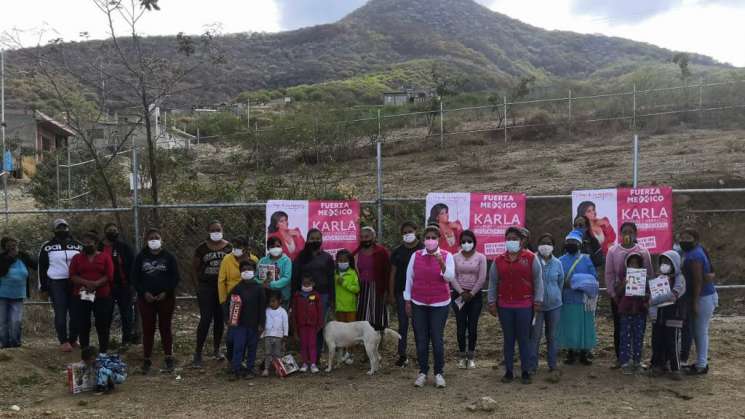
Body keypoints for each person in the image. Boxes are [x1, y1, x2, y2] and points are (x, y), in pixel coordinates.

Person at [487, 227, 543, 385]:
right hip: (505, 305)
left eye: (515, 238)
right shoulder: (498, 260)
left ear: (521, 240)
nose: (511, 241)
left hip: (525, 305)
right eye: (509, 238)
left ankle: (525, 371)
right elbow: (492, 282)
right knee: (508, 339)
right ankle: (509, 371)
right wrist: (491, 302)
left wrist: (538, 301)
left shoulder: (531, 258)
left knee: (524, 339)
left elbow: (538, 281)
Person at [404, 225, 458, 389]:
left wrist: (440, 262)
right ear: (423, 239)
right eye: (427, 237)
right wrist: (407, 301)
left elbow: (449, 277)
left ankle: (439, 373)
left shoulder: (447, 256)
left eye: (433, 237)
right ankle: (422, 372)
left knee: (437, 338)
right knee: (421, 340)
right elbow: (409, 279)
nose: (430, 240)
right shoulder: (416, 255)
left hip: (439, 304)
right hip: (419, 302)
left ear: (439, 240)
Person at [131, 228, 181, 374]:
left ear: (161, 239)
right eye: (151, 238)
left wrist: (166, 292)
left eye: (156, 237)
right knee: (148, 329)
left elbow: (175, 277)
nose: (154, 240)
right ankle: (146, 359)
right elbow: (134, 278)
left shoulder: (169, 257)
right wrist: (144, 292)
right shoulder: (140, 257)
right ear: (146, 240)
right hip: (146, 299)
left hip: (166, 298)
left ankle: (168, 357)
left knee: (165, 327)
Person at [604, 222, 653, 368]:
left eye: (630, 232)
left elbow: (649, 273)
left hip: (639, 298)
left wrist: (648, 294)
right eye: (624, 232)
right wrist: (613, 294)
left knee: (639, 328)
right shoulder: (613, 251)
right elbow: (609, 274)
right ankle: (621, 359)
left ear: (636, 233)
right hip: (620, 296)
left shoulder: (643, 251)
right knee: (620, 327)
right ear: (620, 234)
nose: (627, 235)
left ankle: (637, 359)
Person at [38, 219, 83, 352]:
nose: (62, 230)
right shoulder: (47, 246)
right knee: (60, 312)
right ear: (54, 230)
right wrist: (43, 288)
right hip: (56, 283)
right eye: (59, 228)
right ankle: (63, 340)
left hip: (76, 282)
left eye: (64, 227)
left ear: (69, 228)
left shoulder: (78, 245)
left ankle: (74, 339)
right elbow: (42, 267)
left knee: (76, 313)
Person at [191, 220, 232, 367]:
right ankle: (198, 352)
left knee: (219, 318)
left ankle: (216, 349)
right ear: (208, 231)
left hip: (223, 288)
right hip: (206, 288)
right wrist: (197, 287)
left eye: (218, 229)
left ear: (222, 230)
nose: (216, 232)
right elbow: (194, 268)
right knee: (206, 318)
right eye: (213, 230)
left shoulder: (229, 247)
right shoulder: (201, 248)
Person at [678, 228, 717, 375]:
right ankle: (701, 362)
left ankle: (701, 364)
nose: (684, 240)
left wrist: (694, 302)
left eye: (688, 238)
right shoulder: (695, 250)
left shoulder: (694, 255)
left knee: (700, 331)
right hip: (704, 295)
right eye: (682, 237)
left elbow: (698, 281)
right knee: (697, 331)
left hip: (702, 297)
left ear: (695, 239)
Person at [557, 230, 598, 366]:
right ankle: (571, 352)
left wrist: (576, 281)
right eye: (568, 242)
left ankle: (584, 353)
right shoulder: (560, 260)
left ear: (579, 244)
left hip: (583, 299)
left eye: (574, 242)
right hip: (567, 298)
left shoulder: (586, 259)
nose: (571, 244)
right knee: (569, 326)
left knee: (584, 326)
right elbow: (557, 279)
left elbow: (594, 278)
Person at [69, 231, 115, 353]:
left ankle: (103, 352)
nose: (86, 244)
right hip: (83, 294)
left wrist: (96, 284)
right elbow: (72, 275)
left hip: (102, 295)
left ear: (95, 243)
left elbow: (109, 275)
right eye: (84, 243)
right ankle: (86, 351)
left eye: (89, 242)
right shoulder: (77, 258)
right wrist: (86, 283)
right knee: (83, 323)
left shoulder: (105, 257)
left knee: (102, 323)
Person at [292, 229, 335, 359]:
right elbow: (295, 277)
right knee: (306, 325)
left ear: (321, 240)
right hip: (304, 297)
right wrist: (294, 295)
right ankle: (306, 358)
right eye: (312, 238)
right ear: (307, 240)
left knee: (319, 326)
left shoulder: (327, 257)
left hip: (323, 296)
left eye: (318, 238)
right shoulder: (301, 257)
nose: (315, 241)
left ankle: (316, 357)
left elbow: (331, 278)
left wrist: (332, 298)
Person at [528, 233, 565, 378]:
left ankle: (552, 364)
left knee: (552, 336)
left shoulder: (558, 263)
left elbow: (560, 282)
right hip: (536, 306)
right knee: (535, 336)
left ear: (553, 246)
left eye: (549, 243)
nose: (546, 245)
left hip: (554, 305)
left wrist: (555, 295)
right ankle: (532, 365)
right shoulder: (532, 260)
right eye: (543, 242)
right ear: (538, 245)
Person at [389, 221, 423, 368]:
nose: (407, 234)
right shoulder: (397, 251)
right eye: (404, 232)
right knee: (403, 324)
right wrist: (391, 293)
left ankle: (421, 354)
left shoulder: (423, 248)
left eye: (409, 231)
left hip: (419, 293)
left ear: (416, 231)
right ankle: (402, 355)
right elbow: (392, 273)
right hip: (401, 292)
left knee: (418, 325)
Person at [451, 229, 487, 369]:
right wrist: (461, 292)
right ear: (460, 243)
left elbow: (482, 278)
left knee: (472, 327)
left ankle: (471, 357)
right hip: (459, 296)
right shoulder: (454, 257)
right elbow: (452, 277)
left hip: (475, 297)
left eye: (469, 241)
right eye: (464, 241)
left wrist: (471, 293)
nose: (466, 243)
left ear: (474, 242)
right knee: (460, 327)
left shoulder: (481, 257)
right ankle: (461, 357)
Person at [649, 250, 686, 380]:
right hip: (659, 317)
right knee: (657, 341)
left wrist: (653, 300)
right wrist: (653, 314)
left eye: (667, 262)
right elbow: (654, 297)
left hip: (673, 316)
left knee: (672, 342)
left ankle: (676, 369)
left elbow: (673, 296)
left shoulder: (679, 278)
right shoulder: (659, 279)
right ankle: (658, 365)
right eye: (662, 262)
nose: (664, 265)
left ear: (674, 263)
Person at [226, 260, 265, 380]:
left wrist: (261, 323)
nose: (246, 271)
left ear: (254, 271)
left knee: (252, 348)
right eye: (243, 270)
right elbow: (229, 305)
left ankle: (249, 369)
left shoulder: (259, 289)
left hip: (254, 325)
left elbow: (262, 308)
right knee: (238, 347)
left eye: (249, 269)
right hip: (239, 325)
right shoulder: (236, 288)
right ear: (240, 272)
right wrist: (229, 319)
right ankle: (235, 369)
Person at [99, 223, 137, 347]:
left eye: (115, 230)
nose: (113, 232)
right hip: (104, 287)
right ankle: (104, 343)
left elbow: (133, 265)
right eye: (110, 230)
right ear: (105, 232)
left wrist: (132, 284)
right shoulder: (98, 247)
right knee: (105, 315)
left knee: (126, 314)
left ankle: (127, 341)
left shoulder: (124, 247)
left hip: (124, 286)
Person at [614, 253, 649, 375]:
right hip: (626, 312)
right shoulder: (622, 277)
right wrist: (624, 284)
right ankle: (625, 362)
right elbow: (617, 293)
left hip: (640, 312)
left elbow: (650, 295)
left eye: (636, 264)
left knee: (638, 337)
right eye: (631, 263)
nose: (634, 266)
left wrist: (645, 297)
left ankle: (637, 361)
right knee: (625, 337)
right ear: (626, 265)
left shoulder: (645, 279)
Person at [0, 237, 36, 348]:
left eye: (15, 245)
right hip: (2, 294)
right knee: (2, 321)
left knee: (16, 321)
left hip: (18, 294)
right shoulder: (1, 258)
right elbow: (1, 272)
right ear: (4, 247)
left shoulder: (23, 256)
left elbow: (35, 265)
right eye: (9, 245)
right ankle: (3, 343)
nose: (13, 247)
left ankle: (15, 343)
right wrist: (10, 258)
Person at [354, 227, 391, 331]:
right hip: (361, 288)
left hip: (377, 287)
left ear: (373, 237)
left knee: (377, 314)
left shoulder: (381, 251)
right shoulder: (356, 253)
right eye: (362, 237)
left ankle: (378, 339)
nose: (364, 239)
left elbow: (387, 272)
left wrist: (387, 291)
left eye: (367, 236)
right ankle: (363, 339)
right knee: (362, 313)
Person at [292, 273, 324, 374]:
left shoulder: (316, 295)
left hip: (312, 325)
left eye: (308, 283)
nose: (306, 285)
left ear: (313, 284)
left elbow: (320, 310)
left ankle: (313, 363)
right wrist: (295, 326)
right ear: (301, 284)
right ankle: (305, 363)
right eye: (304, 284)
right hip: (301, 325)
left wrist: (320, 324)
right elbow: (294, 312)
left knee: (312, 344)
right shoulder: (297, 296)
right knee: (303, 344)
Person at [217, 236, 259, 305]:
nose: (235, 249)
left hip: (250, 296)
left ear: (246, 248)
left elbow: (258, 279)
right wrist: (223, 301)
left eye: (238, 247)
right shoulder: (227, 259)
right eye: (234, 247)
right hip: (232, 297)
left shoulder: (254, 260)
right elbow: (221, 281)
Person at [335, 249, 360, 364]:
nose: (342, 262)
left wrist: (344, 283)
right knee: (341, 332)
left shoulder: (353, 273)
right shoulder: (334, 273)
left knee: (351, 332)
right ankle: (342, 353)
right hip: (338, 308)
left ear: (349, 261)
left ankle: (350, 354)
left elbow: (357, 289)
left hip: (350, 308)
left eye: (345, 260)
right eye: (340, 260)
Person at [257, 237, 293, 308]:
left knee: (281, 318)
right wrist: (261, 283)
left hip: (282, 298)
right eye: (272, 246)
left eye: (278, 246)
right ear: (268, 248)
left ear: (281, 247)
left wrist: (271, 285)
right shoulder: (262, 261)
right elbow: (256, 277)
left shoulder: (287, 260)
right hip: (266, 297)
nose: (275, 248)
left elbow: (287, 278)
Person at [262, 291, 288, 377]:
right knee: (267, 352)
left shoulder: (283, 311)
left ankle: (278, 368)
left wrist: (285, 334)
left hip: (278, 336)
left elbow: (285, 323)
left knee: (277, 353)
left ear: (279, 301)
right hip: (268, 335)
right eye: (270, 301)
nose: (271, 303)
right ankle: (266, 369)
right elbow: (264, 322)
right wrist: (262, 333)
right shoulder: (267, 310)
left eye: (274, 301)